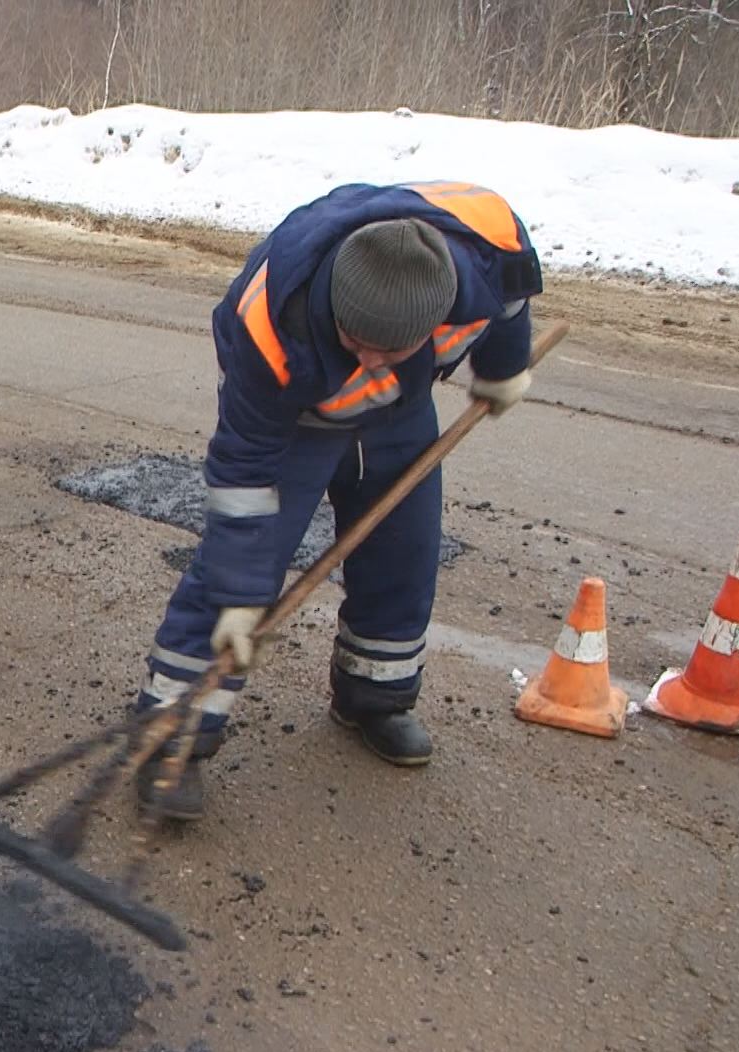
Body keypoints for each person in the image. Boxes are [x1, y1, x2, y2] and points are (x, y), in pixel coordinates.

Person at [133, 181, 543, 822]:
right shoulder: (269, 325)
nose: (371, 359)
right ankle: (173, 732)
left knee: (403, 548)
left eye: (391, 348)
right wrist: (241, 596)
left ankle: (374, 694)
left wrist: (502, 366)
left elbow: (512, 304)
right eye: (357, 342)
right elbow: (241, 474)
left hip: (403, 410)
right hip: (294, 417)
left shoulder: (487, 255)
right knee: (242, 564)